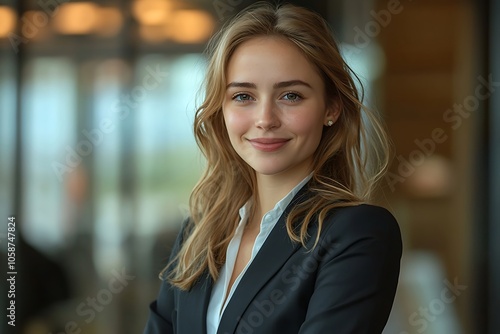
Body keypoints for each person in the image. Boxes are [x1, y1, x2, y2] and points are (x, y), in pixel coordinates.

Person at [144, 2, 402, 333]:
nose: (265, 119)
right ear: (220, 110)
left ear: (332, 107)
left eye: (291, 96)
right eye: (243, 97)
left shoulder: (358, 233)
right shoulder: (197, 234)